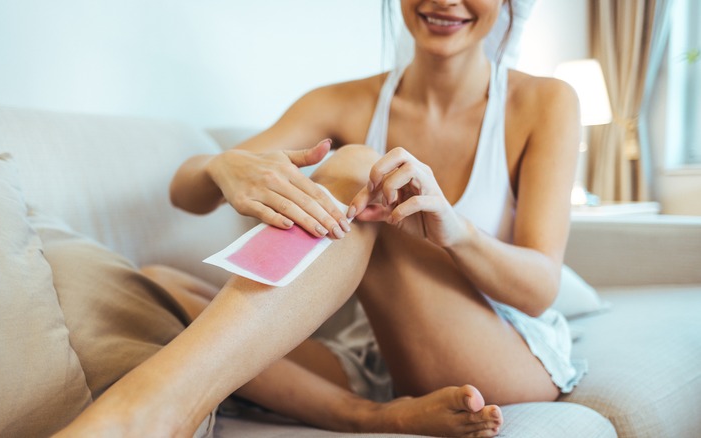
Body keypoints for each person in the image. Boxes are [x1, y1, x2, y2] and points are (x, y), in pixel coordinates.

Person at [56, 0, 584, 436]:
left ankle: (153, 409)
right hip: (375, 359)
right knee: (158, 286)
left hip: (506, 346)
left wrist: (456, 231)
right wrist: (224, 165)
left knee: (356, 164)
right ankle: (372, 416)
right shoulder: (344, 101)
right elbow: (184, 193)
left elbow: (539, 288)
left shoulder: (543, 102)